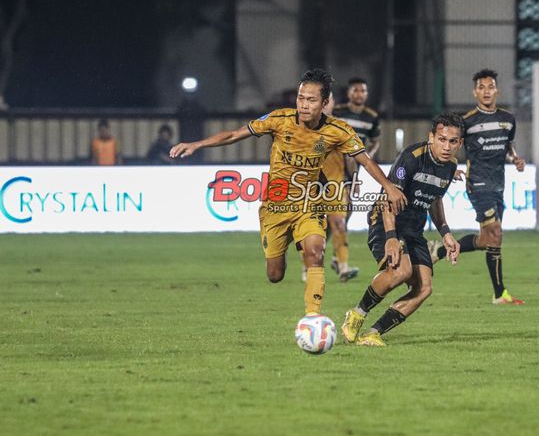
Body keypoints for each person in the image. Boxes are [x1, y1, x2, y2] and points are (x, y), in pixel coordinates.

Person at [170, 69, 407, 316]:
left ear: (325, 103)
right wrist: (196, 144)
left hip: (310, 204)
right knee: (275, 274)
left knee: (316, 252)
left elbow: (366, 160)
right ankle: (287, 255)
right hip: (276, 206)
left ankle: (313, 318)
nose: (304, 105)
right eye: (301, 98)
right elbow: (233, 134)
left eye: (311, 100)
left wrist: (389, 187)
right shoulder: (279, 119)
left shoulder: (339, 131)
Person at [341, 112, 464, 347]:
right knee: (401, 272)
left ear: (460, 143)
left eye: (452, 141)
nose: (446, 146)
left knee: (423, 288)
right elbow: (391, 197)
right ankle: (357, 313)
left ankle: (373, 333)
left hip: (414, 229)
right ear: (431, 137)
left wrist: (446, 233)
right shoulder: (411, 157)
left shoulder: (451, 166)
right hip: (386, 220)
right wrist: (390, 238)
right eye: (441, 139)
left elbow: (435, 201)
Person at [428, 69, 525, 305]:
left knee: (487, 239)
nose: (486, 91)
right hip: (477, 184)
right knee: (497, 233)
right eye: (481, 87)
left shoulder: (508, 119)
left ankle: (439, 251)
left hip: (498, 184)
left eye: (490, 86)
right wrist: (452, 167)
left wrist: (515, 158)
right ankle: (499, 293)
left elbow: (508, 145)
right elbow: (450, 147)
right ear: (475, 92)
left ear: (496, 90)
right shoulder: (468, 122)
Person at [300, 92, 360, 283]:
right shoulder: (302, 127)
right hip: (311, 187)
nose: (324, 104)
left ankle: (343, 268)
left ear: (332, 103)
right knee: (313, 231)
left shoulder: (342, 128)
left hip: (335, 186)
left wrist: (354, 180)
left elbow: (351, 157)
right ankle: (307, 266)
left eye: (328, 100)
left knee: (339, 225)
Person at [331, 77, 381, 274]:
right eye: (356, 90)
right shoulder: (338, 112)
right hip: (334, 166)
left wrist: (368, 156)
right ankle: (339, 262)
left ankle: (337, 257)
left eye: (363, 91)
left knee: (347, 210)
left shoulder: (371, 117)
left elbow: (375, 140)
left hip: (354, 167)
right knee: (339, 213)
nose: (359, 94)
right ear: (349, 93)